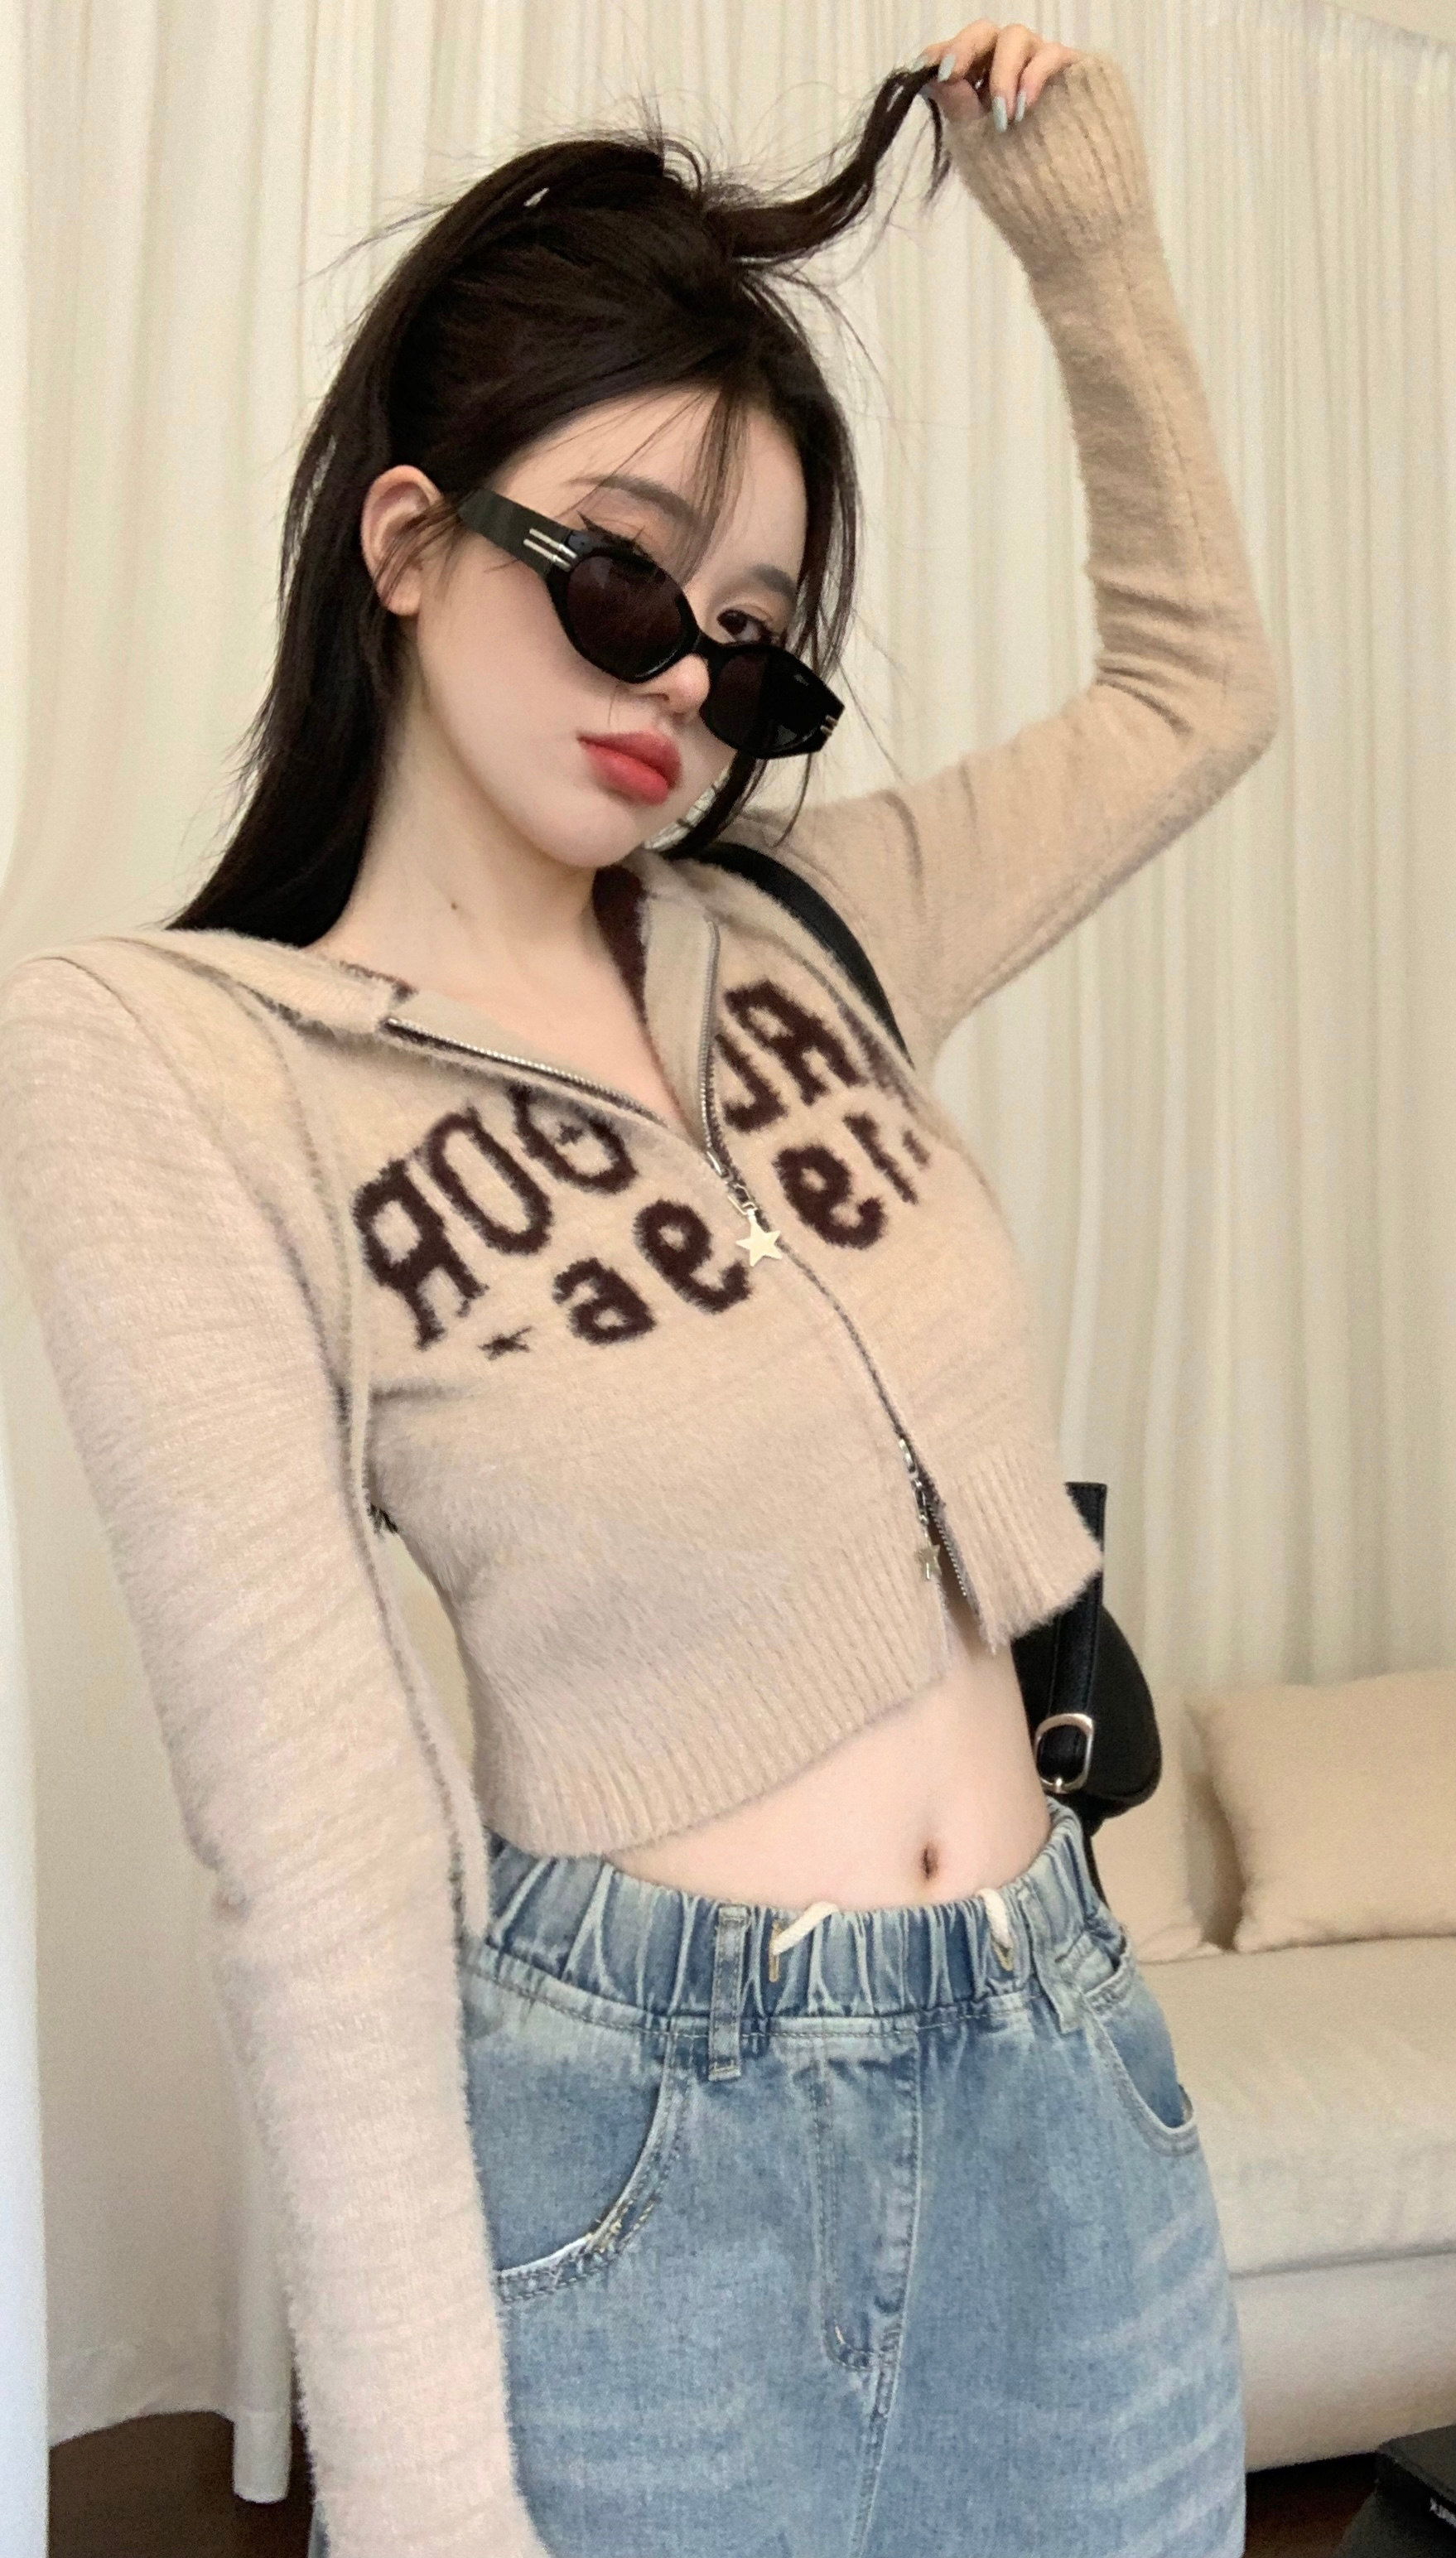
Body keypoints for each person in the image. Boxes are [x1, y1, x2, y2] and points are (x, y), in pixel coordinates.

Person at [0, 20, 1279, 2557]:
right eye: (616, 576)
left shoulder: (806, 927)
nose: (687, 680)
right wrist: (420, 2503)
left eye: (756, 644)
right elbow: (318, 1850)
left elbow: (1193, 692)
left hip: (1063, 2075)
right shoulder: (177, 1062)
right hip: (646, 2164)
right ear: (405, 539)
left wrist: (1086, 251)